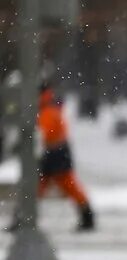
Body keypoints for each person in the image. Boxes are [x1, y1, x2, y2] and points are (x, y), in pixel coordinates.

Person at [37, 85, 95, 232]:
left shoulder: (46, 111)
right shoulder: (49, 107)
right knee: (63, 185)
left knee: (39, 186)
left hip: (54, 153)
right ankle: (86, 214)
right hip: (57, 153)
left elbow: (44, 133)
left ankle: (23, 217)